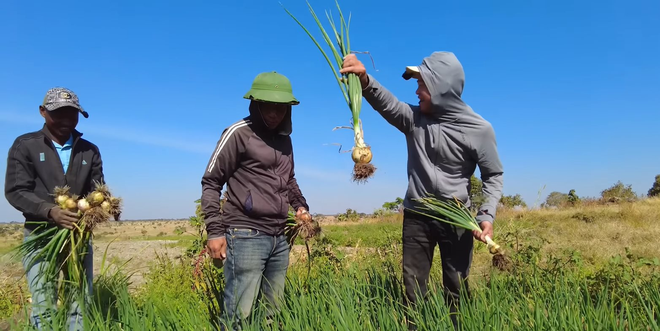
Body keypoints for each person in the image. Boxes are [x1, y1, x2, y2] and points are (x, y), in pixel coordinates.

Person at [341, 52, 504, 329]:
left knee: (457, 285)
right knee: (413, 288)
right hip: (417, 217)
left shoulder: (479, 129)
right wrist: (364, 79)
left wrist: (486, 215)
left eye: (422, 85)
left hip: (457, 219)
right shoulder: (414, 119)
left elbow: (494, 174)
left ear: (441, 87)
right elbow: (388, 104)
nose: (416, 92)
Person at [201, 71, 310, 329]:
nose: (274, 114)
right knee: (239, 312)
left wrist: (301, 206)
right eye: (268, 107)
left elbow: (289, 180)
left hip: (278, 237)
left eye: (280, 108)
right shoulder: (238, 133)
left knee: (271, 311)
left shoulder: (285, 141)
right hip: (245, 234)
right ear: (256, 104)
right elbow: (211, 182)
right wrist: (215, 231)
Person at [4, 87, 103, 331]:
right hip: (39, 236)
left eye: (72, 114)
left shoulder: (89, 151)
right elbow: (16, 191)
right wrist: (50, 211)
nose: (67, 121)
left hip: (77, 237)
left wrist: (93, 208)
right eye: (59, 114)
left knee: (78, 299)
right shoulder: (25, 145)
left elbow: (96, 191)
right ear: (43, 112)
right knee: (43, 300)